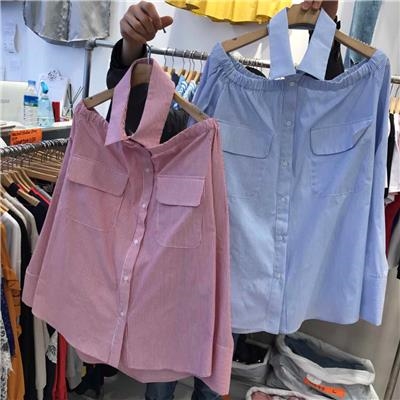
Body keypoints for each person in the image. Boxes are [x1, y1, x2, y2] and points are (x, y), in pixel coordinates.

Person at [104, 1, 343, 399]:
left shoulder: (285, 143)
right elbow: (139, 117)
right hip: (177, 280)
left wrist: (327, 25)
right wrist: (131, 50)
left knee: (212, 384)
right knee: (162, 381)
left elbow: (325, 113)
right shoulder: (196, 121)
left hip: (237, 282)